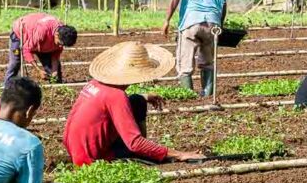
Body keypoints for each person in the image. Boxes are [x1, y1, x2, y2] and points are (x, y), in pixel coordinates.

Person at [63, 41, 205, 166]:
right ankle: (143, 155)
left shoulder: (95, 84)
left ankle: (144, 150)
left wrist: (144, 96)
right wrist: (179, 154)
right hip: (93, 158)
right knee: (148, 155)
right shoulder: (116, 96)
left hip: (75, 148)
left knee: (137, 100)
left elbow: (106, 106)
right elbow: (135, 143)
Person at [162, 0, 227, 97]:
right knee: (208, 63)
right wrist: (220, 25)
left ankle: (189, 97)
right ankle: (206, 95)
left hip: (191, 22)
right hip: (212, 23)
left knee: (185, 64)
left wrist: (167, 20)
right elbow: (223, 3)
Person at [4, 12, 78, 85]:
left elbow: (56, 54)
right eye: (59, 43)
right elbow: (26, 49)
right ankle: (7, 84)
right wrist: (38, 70)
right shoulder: (42, 31)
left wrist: (54, 71)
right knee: (15, 62)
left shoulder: (63, 34)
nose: (60, 46)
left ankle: (56, 84)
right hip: (20, 34)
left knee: (53, 73)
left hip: (43, 43)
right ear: (56, 35)